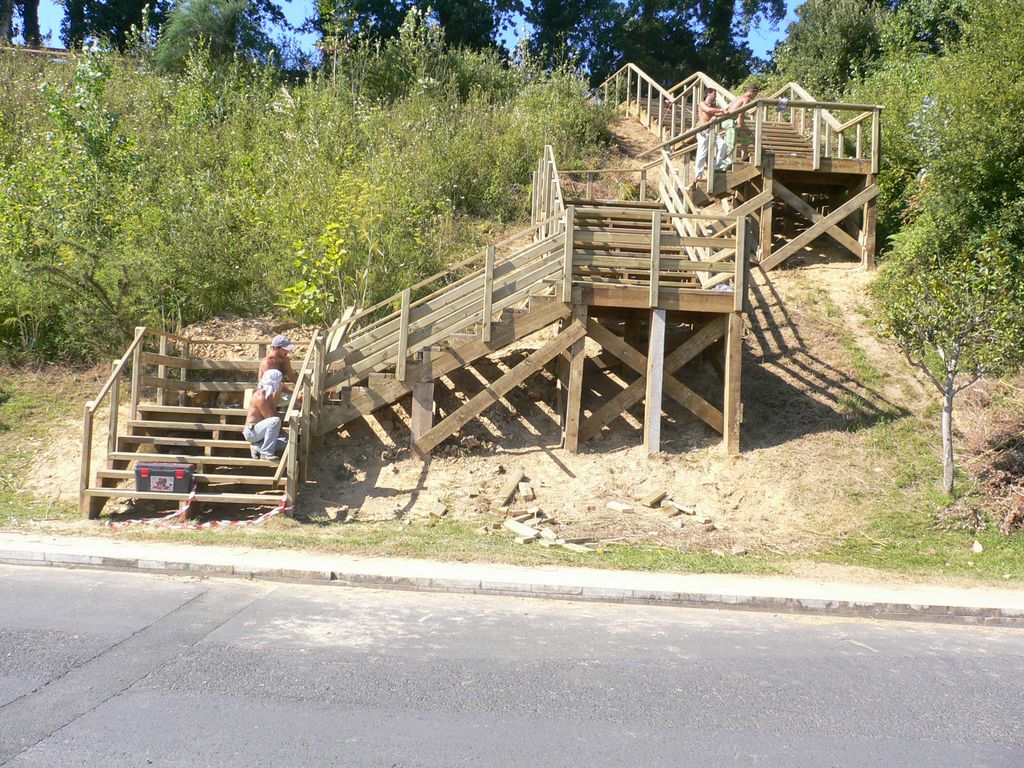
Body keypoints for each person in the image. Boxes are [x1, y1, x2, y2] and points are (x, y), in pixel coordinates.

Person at [715, 86, 759, 172]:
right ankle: (718, 164)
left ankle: (744, 156)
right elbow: (741, 114)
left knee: (745, 140)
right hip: (729, 122)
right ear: (752, 92)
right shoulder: (746, 99)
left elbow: (728, 109)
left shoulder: (738, 97)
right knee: (730, 146)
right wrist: (742, 128)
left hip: (730, 120)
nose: (755, 96)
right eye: (755, 94)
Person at [244, 369, 284, 460]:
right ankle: (266, 452)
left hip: (261, 433)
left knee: (285, 443)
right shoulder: (260, 397)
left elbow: (273, 408)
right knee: (276, 421)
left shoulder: (267, 395)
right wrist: (286, 434)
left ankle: (257, 447)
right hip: (252, 432)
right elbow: (271, 418)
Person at [693, 88, 723, 184]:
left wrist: (718, 114)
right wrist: (720, 110)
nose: (715, 96)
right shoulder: (702, 104)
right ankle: (698, 176)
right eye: (714, 94)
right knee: (702, 153)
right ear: (709, 93)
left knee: (724, 146)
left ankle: (715, 166)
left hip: (712, 131)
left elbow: (721, 113)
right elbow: (708, 110)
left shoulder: (714, 106)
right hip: (703, 131)